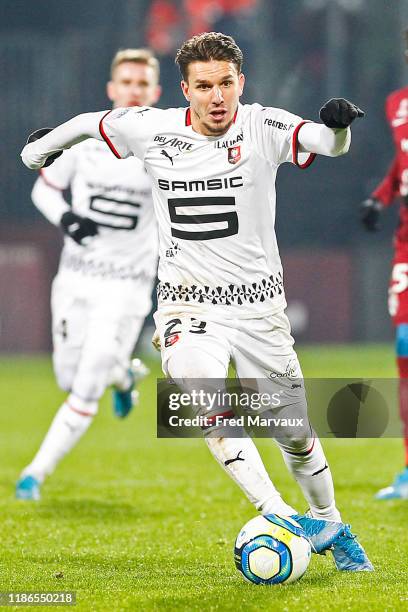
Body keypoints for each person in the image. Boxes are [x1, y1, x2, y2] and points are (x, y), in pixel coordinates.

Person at [21, 32, 373, 571]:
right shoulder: (152, 127)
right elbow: (93, 122)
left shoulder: (262, 125)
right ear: (185, 89)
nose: (216, 97)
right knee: (204, 401)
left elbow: (326, 144)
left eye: (226, 84)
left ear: (240, 83)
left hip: (259, 309)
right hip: (188, 306)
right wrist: (38, 150)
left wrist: (339, 127)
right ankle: (277, 512)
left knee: (295, 434)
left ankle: (328, 521)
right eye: (204, 86)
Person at [16, 49, 161, 501]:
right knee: (68, 376)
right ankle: (125, 375)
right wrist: (67, 220)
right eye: (127, 82)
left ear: (155, 93)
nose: (133, 91)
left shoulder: (166, 145)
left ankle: (34, 475)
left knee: (87, 379)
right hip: (77, 278)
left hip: (128, 283)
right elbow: (45, 190)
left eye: (142, 84)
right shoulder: (85, 138)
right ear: (111, 89)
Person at [360, 68, 408, 501]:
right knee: (405, 346)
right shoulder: (396, 102)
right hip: (407, 244)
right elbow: (402, 160)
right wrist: (381, 195)